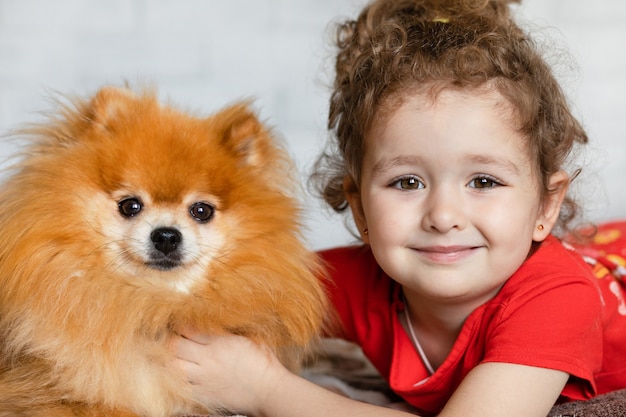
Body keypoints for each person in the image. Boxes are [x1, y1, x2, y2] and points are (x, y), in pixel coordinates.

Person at [171, 0, 626, 416]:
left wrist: (267, 389)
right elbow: (223, 292)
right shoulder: (358, 280)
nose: (443, 216)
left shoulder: (559, 299)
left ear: (546, 204)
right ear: (360, 209)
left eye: (483, 181)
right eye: (407, 181)